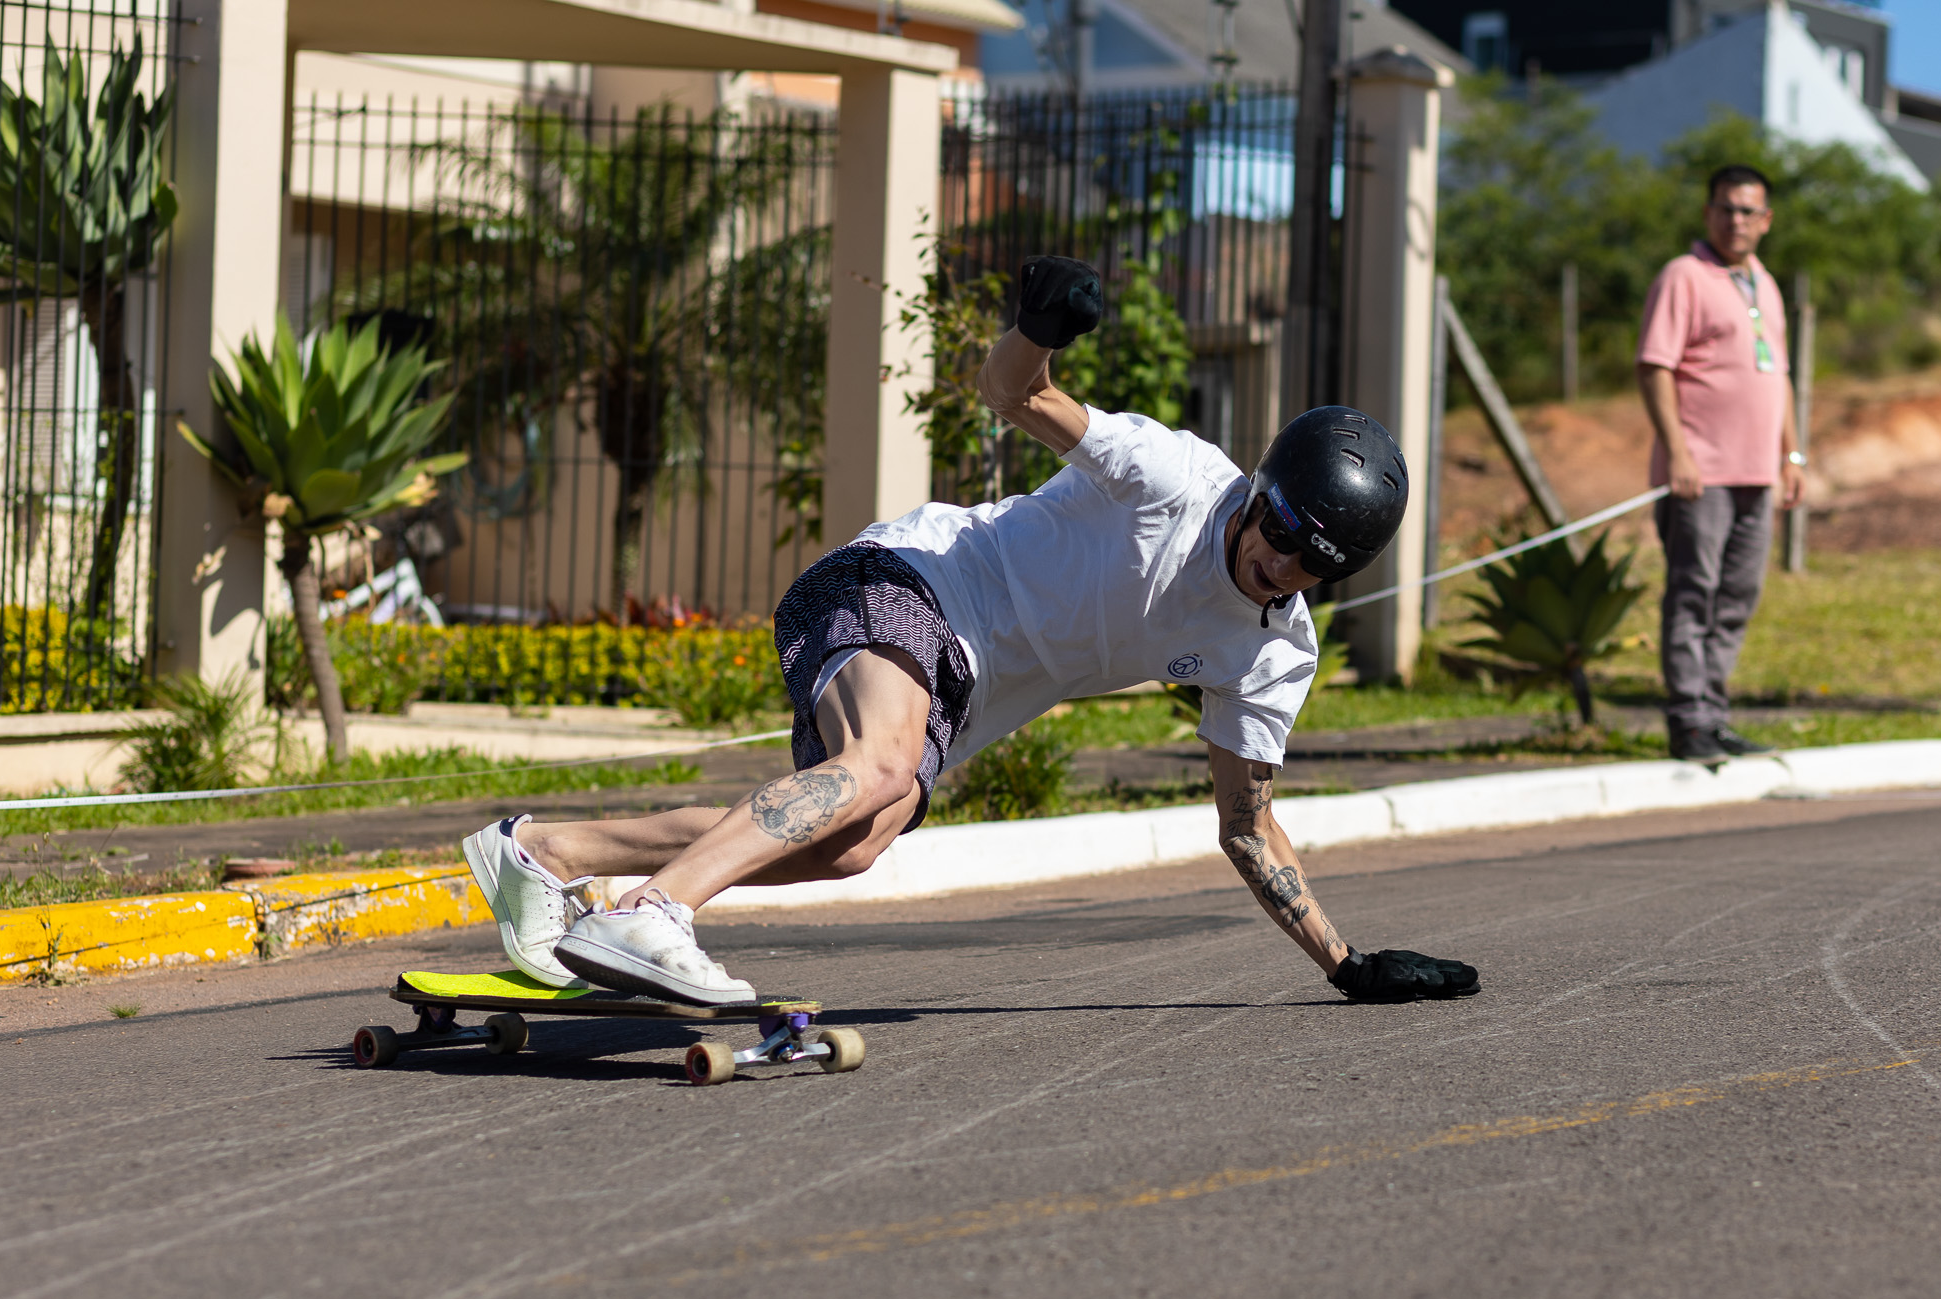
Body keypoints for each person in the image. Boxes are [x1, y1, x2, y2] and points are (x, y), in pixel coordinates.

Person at [462, 256, 1479, 1009]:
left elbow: (1246, 825)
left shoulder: (1270, 652)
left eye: (1313, 562)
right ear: (1257, 490)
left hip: (960, 681)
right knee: (877, 767)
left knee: (858, 837)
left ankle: (546, 852)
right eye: (1279, 528)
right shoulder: (1173, 479)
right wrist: (1034, 328)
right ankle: (649, 913)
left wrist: (1343, 962)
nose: (1280, 561)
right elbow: (1012, 392)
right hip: (908, 579)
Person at [1636, 164, 1806, 763]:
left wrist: (1791, 453)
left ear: (1766, 220)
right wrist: (1677, 451)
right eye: (1726, 208)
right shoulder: (1684, 276)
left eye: (1749, 211)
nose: (1737, 220)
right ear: (1709, 213)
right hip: (1699, 474)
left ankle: (1715, 714)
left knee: (1737, 595)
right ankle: (1689, 721)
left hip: (1757, 474)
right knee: (1694, 593)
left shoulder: (1763, 282)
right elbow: (1655, 365)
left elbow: (1778, 375)